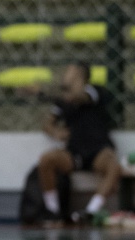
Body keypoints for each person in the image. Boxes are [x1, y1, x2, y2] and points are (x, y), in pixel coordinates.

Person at [23, 62, 121, 224]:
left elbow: (76, 97)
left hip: (98, 149)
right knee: (47, 159)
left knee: (113, 166)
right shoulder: (61, 100)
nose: (65, 76)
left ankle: (91, 211)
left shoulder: (94, 91)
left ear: (80, 76)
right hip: (75, 151)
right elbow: (48, 124)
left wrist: (41, 92)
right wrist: (56, 132)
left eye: (70, 73)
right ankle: (53, 211)